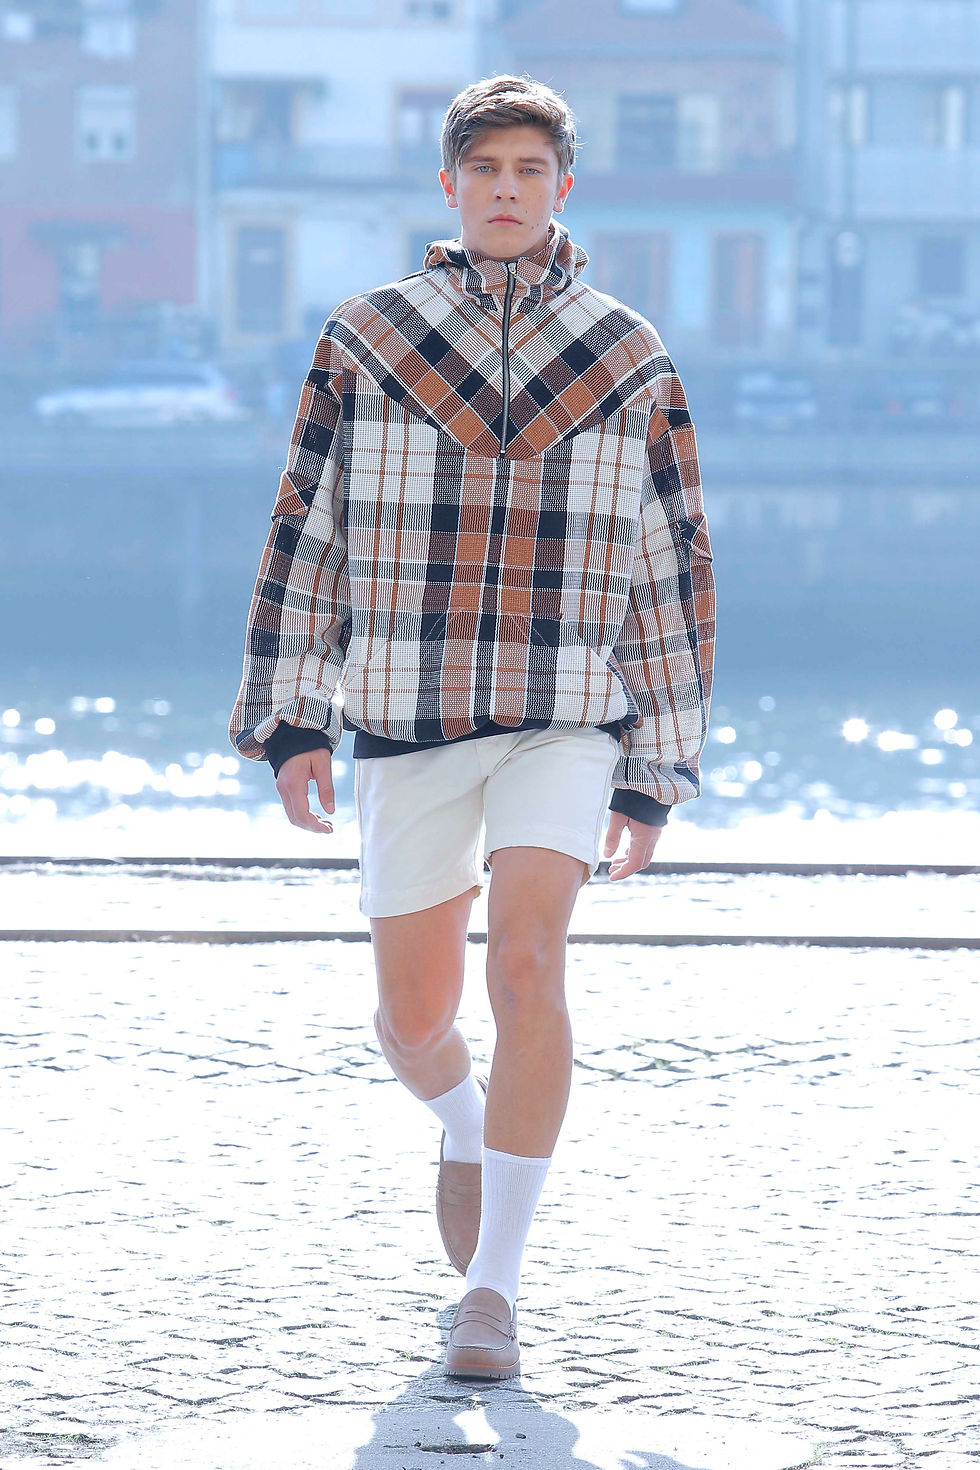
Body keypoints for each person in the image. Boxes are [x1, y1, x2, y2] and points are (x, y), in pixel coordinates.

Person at [228, 73, 716, 1380]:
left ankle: (492, 1290)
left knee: (531, 964)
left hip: (569, 709)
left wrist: (656, 769)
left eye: (529, 169)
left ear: (565, 188)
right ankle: (461, 1123)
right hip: (407, 707)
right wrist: (289, 715)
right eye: (485, 169)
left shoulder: (626, 352)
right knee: (411, 1018)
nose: (507, 189)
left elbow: (672, 558)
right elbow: (306, 524)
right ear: (448, 186)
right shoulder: (368, 335)